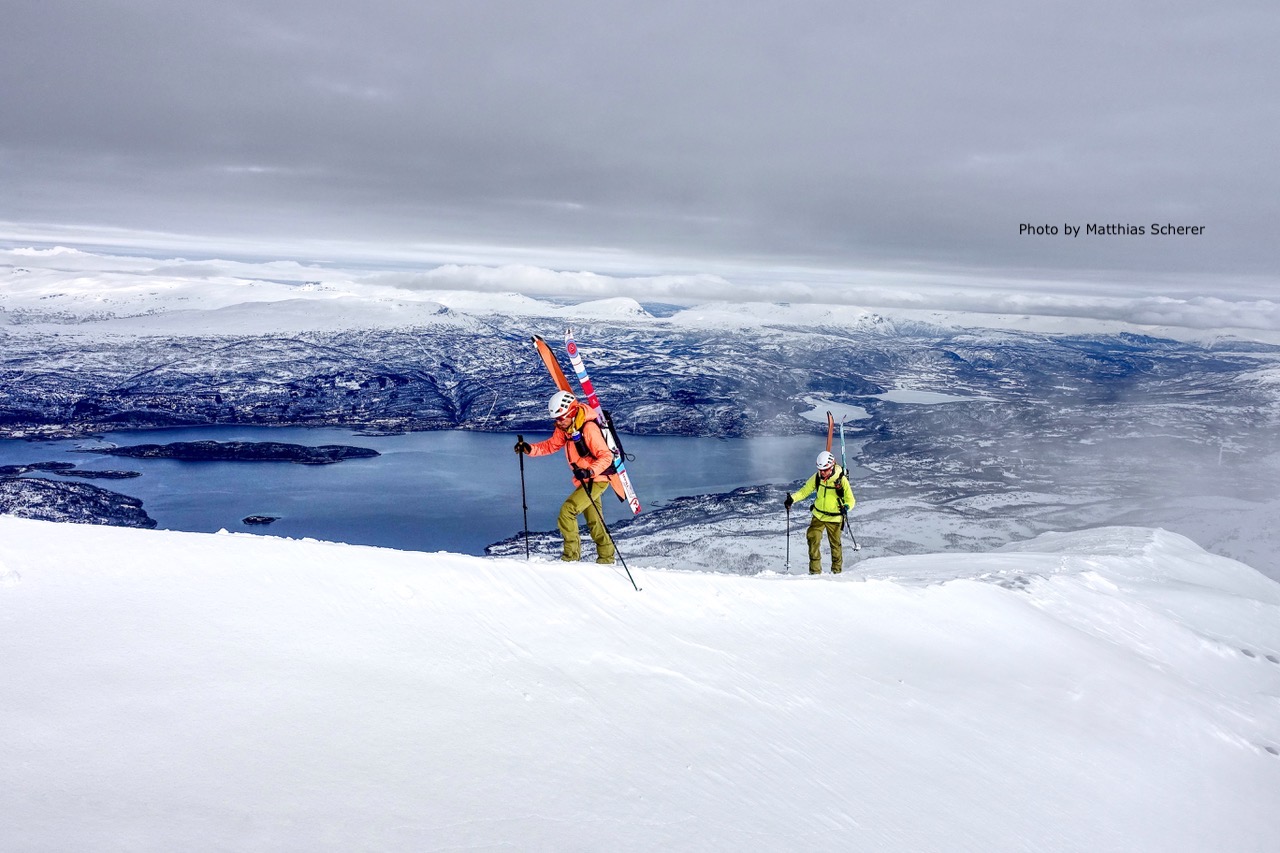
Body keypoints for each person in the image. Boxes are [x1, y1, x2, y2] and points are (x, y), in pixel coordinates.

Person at [514, 391, 616, 564]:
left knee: (567, 512)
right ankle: (607, 559)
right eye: (556, 419)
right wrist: (529, 449)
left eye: (561, 418)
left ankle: (570, 559)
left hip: (596, 479)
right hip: (586, 480)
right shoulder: (566, 428)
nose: (558, 423)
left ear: (571, 412)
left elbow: (606, 456)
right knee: (594, 521)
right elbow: (551, 445)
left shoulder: (589, 428)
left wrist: (589, 472)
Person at [785, 450, 856, 574]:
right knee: (813, 538)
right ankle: (815, 572)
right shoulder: (818, 476)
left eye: (824, 470)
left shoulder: (841, 479)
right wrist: (792, 499)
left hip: (834, 518)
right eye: (820, 470)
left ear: (832, 466)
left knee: (835, 545)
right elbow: (805, 490)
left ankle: (836, 572)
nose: (822, 473)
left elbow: (851, 500)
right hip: (818, 515)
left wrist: (846, 507)